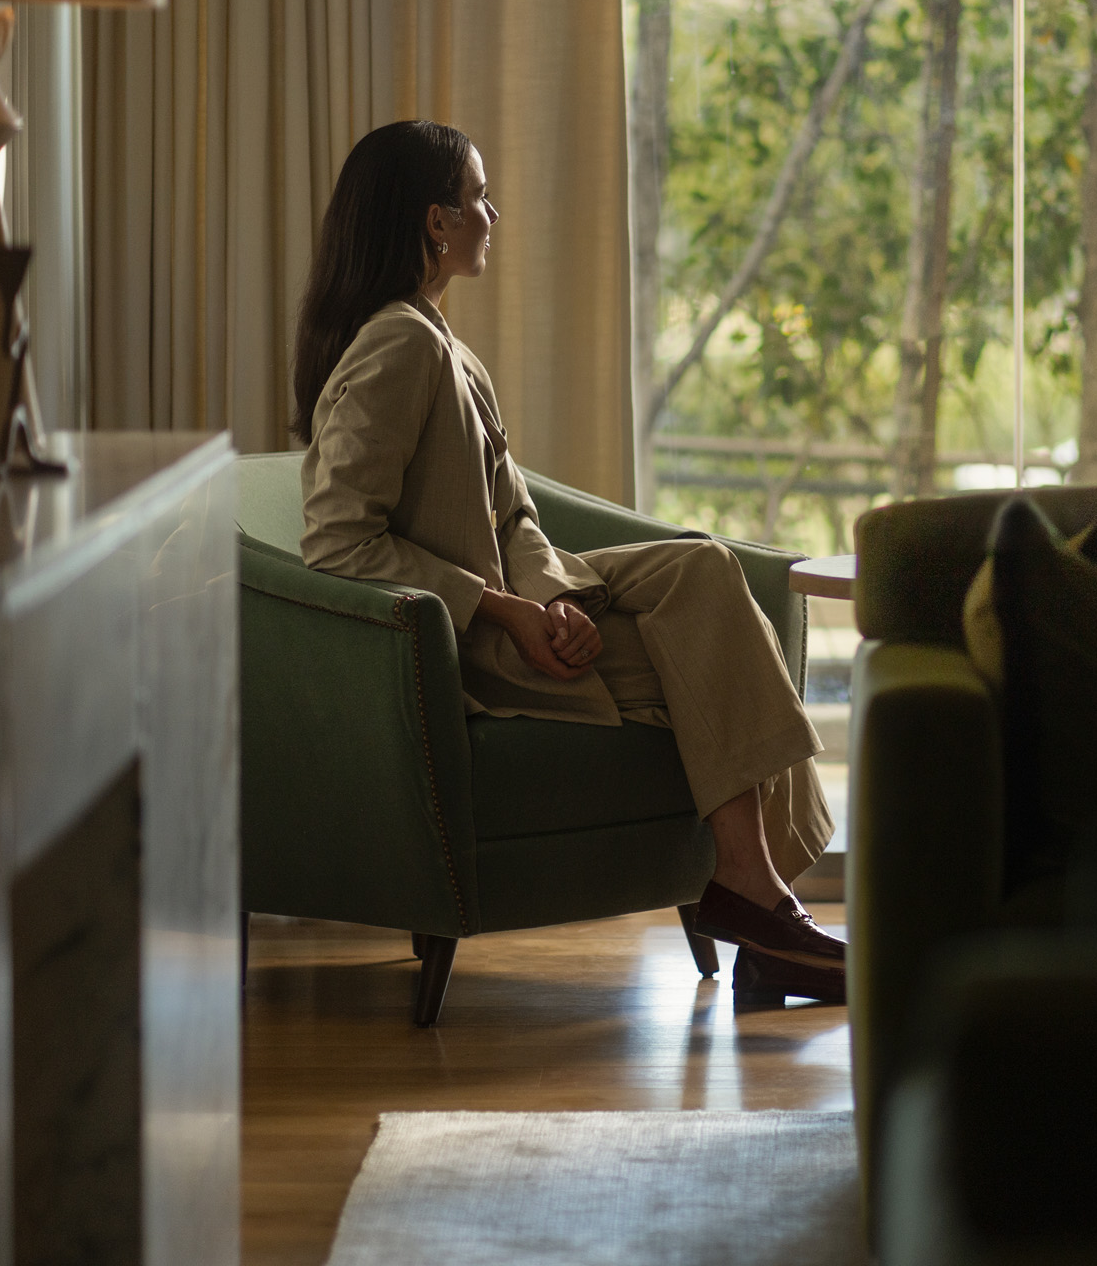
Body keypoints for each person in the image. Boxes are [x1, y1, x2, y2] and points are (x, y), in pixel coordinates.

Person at [290, 120, 846, 1004]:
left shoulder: (442, 343)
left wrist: (554, 600)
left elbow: (514, 515)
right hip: (457, 644)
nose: (492, 212)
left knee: (702, 570)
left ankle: (757, 894)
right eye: (477, 197)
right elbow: (337, 539)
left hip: (516, 611)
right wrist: (508, 615)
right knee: (707, 644)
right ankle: (759, 898)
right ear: (436, 221)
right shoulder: (398, 343)